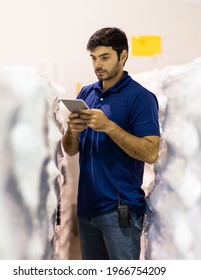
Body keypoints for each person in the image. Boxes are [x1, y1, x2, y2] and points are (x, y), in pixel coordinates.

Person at [62, 27, 160, 260]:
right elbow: (71, 149)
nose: (98, 65)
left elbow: (151, 152)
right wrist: (72, 132)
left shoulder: (141, 98)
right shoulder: (86, 93)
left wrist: (109, 126)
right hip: (86, 210)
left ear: (123, 56)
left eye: (105, 58)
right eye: (94, 58)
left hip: (120, 213)